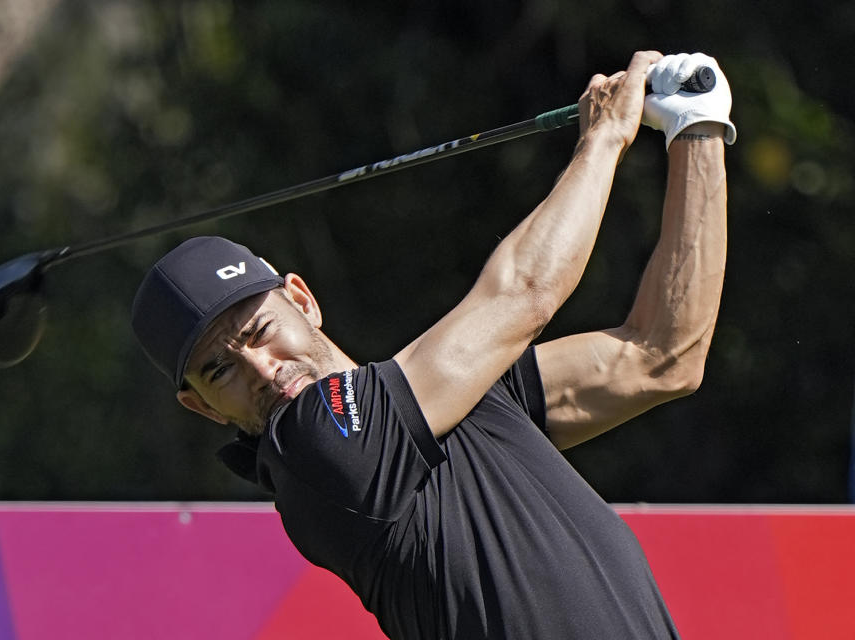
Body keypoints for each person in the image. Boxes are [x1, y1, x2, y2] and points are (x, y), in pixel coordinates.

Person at [131, 50, 735, 639]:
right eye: (219, 370)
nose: (261, 369)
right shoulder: (313, 450)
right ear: (204, 407)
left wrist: (697, 126)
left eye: (259, 331)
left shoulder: (454, 389)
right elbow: (525, 294)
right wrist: (603, 139)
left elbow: (663, 355)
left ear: (303, 299)